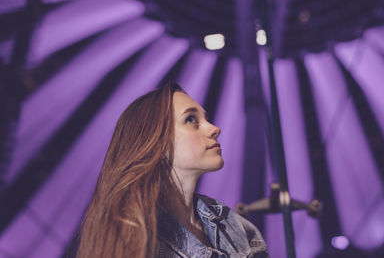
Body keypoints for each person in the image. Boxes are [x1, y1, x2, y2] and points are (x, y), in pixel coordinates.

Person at [76, 82, 269, 257]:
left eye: (206, 119)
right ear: (154, 142)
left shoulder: (237, 227)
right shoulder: (130, 234)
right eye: (191, 119)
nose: (214, 128)